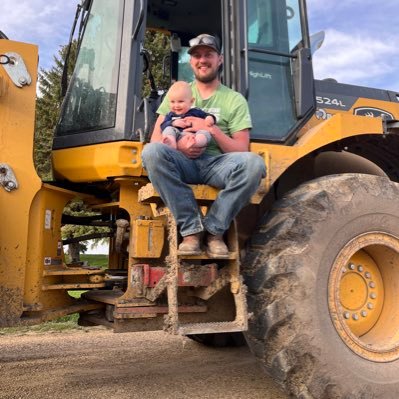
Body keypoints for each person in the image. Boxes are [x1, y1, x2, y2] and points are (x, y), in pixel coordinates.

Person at [142, 33, 266, 257]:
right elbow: (156, 139)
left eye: (208, 54)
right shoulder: (178, 93)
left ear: (219, 59)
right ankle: (191, 230)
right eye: (197, 55)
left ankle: (214, 230)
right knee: (152, 152)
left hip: (216, 164)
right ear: (191, 62)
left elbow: (240, 149)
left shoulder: (234, 99)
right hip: (182, 163)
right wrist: (180, 146)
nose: (202, 60)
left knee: (254, 165)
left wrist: (210, 129)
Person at [161, 81, 216, 151]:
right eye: (172, 102)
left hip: (194, 135)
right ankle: (171, 142)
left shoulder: (195, 111)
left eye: (180, 101)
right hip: (178, 136)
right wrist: (173, 123)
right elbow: (162, 126)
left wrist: (209, 118)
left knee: (205, 133)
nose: (176, 105)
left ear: (191, 101)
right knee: (168, 129)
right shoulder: (171, 115)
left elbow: (207, 115)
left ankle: (197, 142)